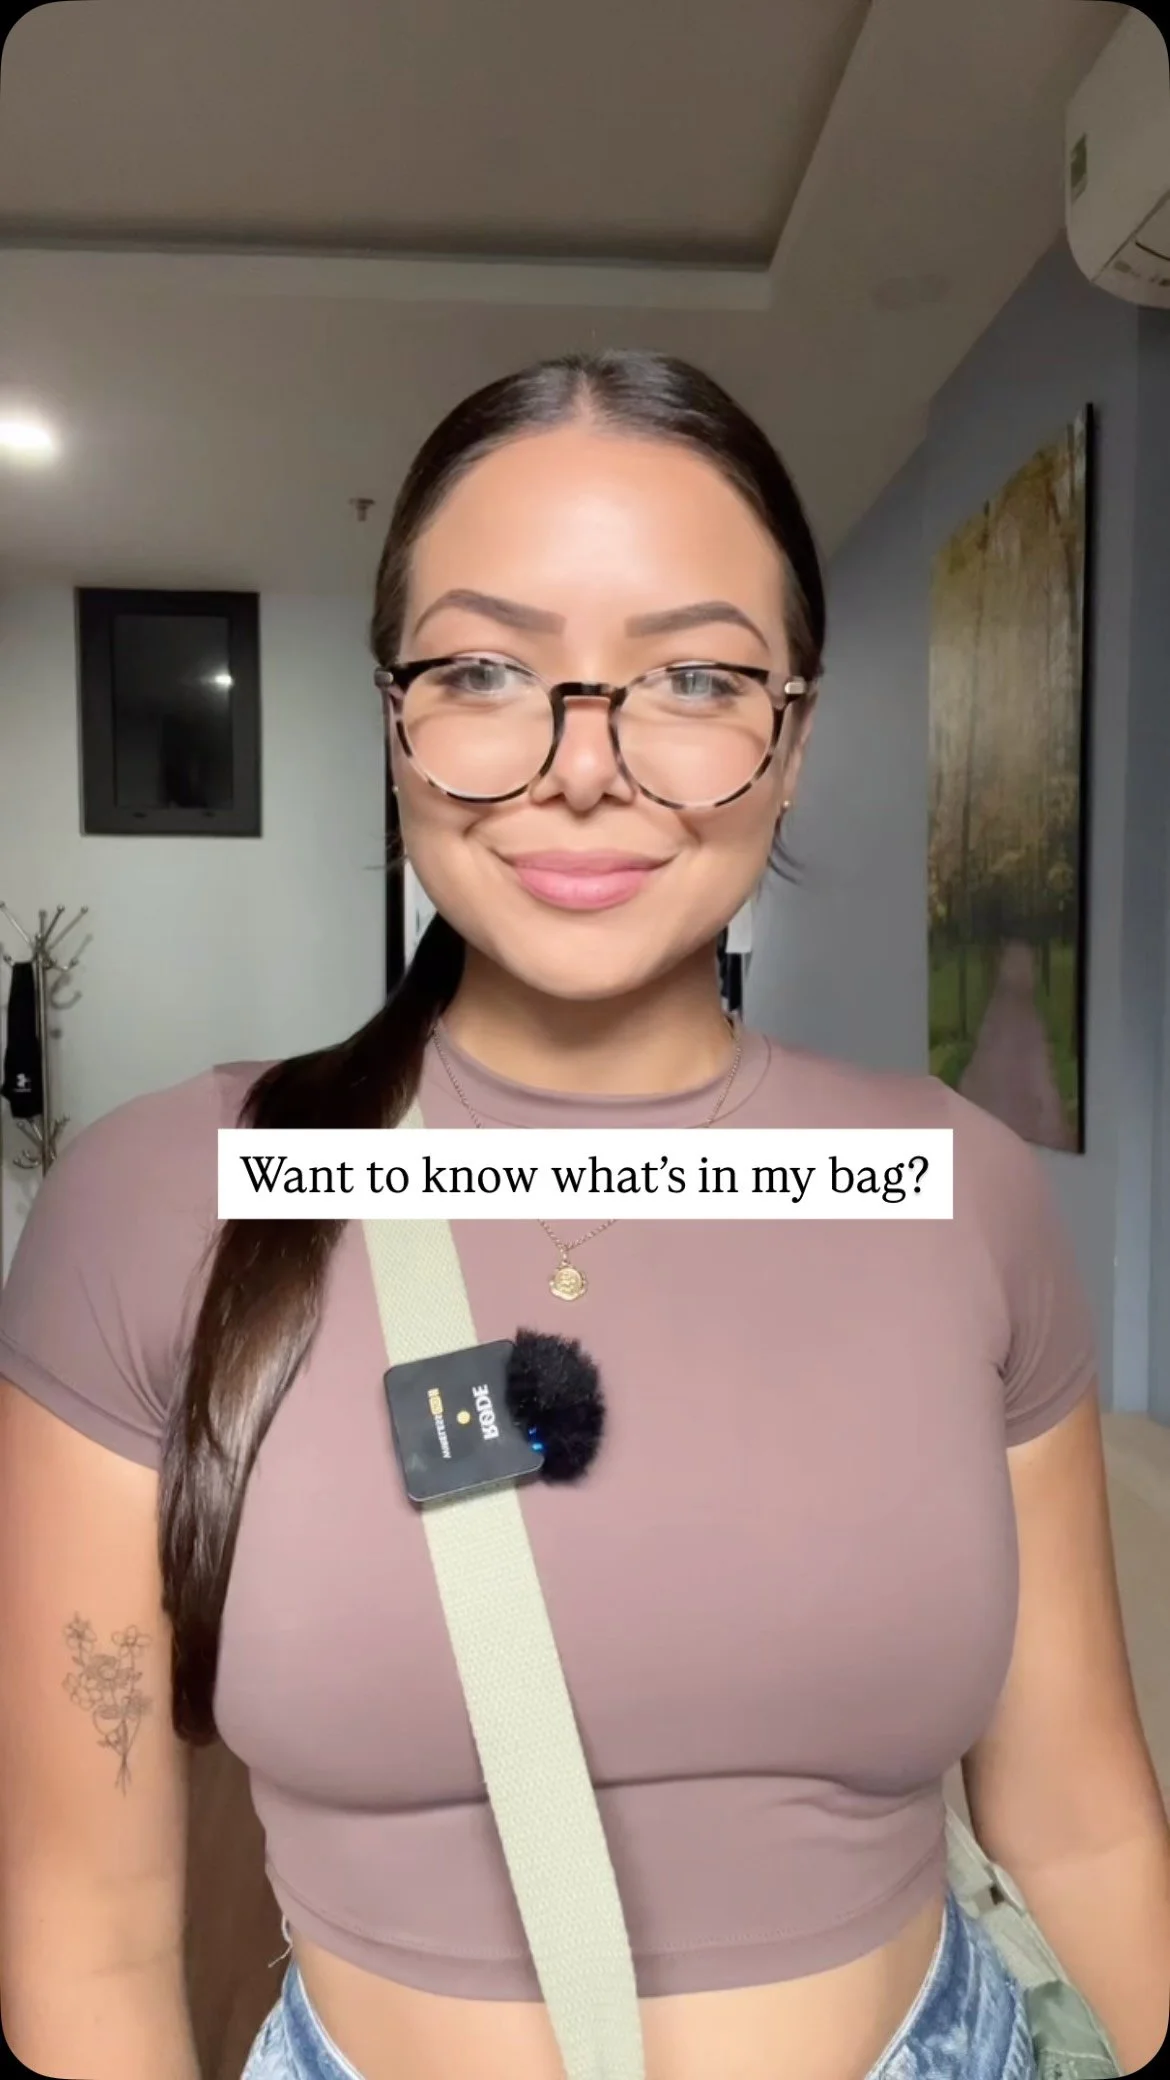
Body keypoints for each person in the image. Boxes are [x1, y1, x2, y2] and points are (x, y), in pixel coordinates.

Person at [0, 351, 1166, 2080]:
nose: (584, 767)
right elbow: (87, 1926)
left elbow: (1077, 1821)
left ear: (790, 740)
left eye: (691, 676)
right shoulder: (169, 1198)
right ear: (395, 720)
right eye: (486, 669)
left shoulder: (949, 1183)